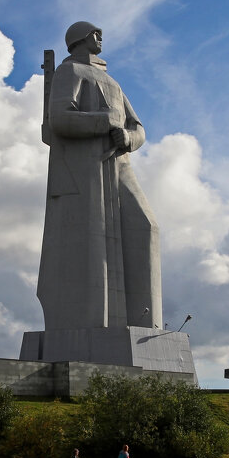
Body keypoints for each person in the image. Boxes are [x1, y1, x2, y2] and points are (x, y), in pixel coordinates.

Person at [37, 22, 162, 332]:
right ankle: (93, 326)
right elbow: (60, 119)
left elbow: (138, 126)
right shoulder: (71, 73)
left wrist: (129, 138)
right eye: (95, 32)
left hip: (118, 164)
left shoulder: (112, 83)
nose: (101, 36)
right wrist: (106, 121)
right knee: (90, 244)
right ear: (80, 39)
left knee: (146, 227)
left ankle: (147, 327)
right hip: (85, 169)